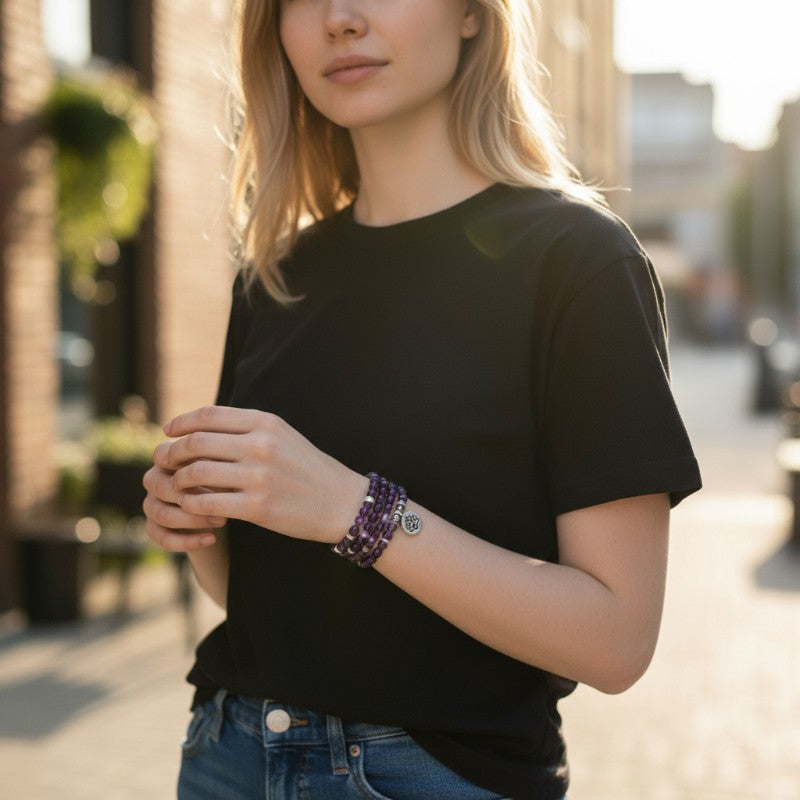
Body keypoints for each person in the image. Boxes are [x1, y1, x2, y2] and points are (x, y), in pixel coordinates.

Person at [142, 1, 702, 798]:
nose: (339, 19)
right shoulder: (274, 273)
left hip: (433, 774)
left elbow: (614, 640)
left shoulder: (578, 263)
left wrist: (353, 508)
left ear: (474, 14)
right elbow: (273, 608)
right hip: (230, 755)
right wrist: (200, 524)